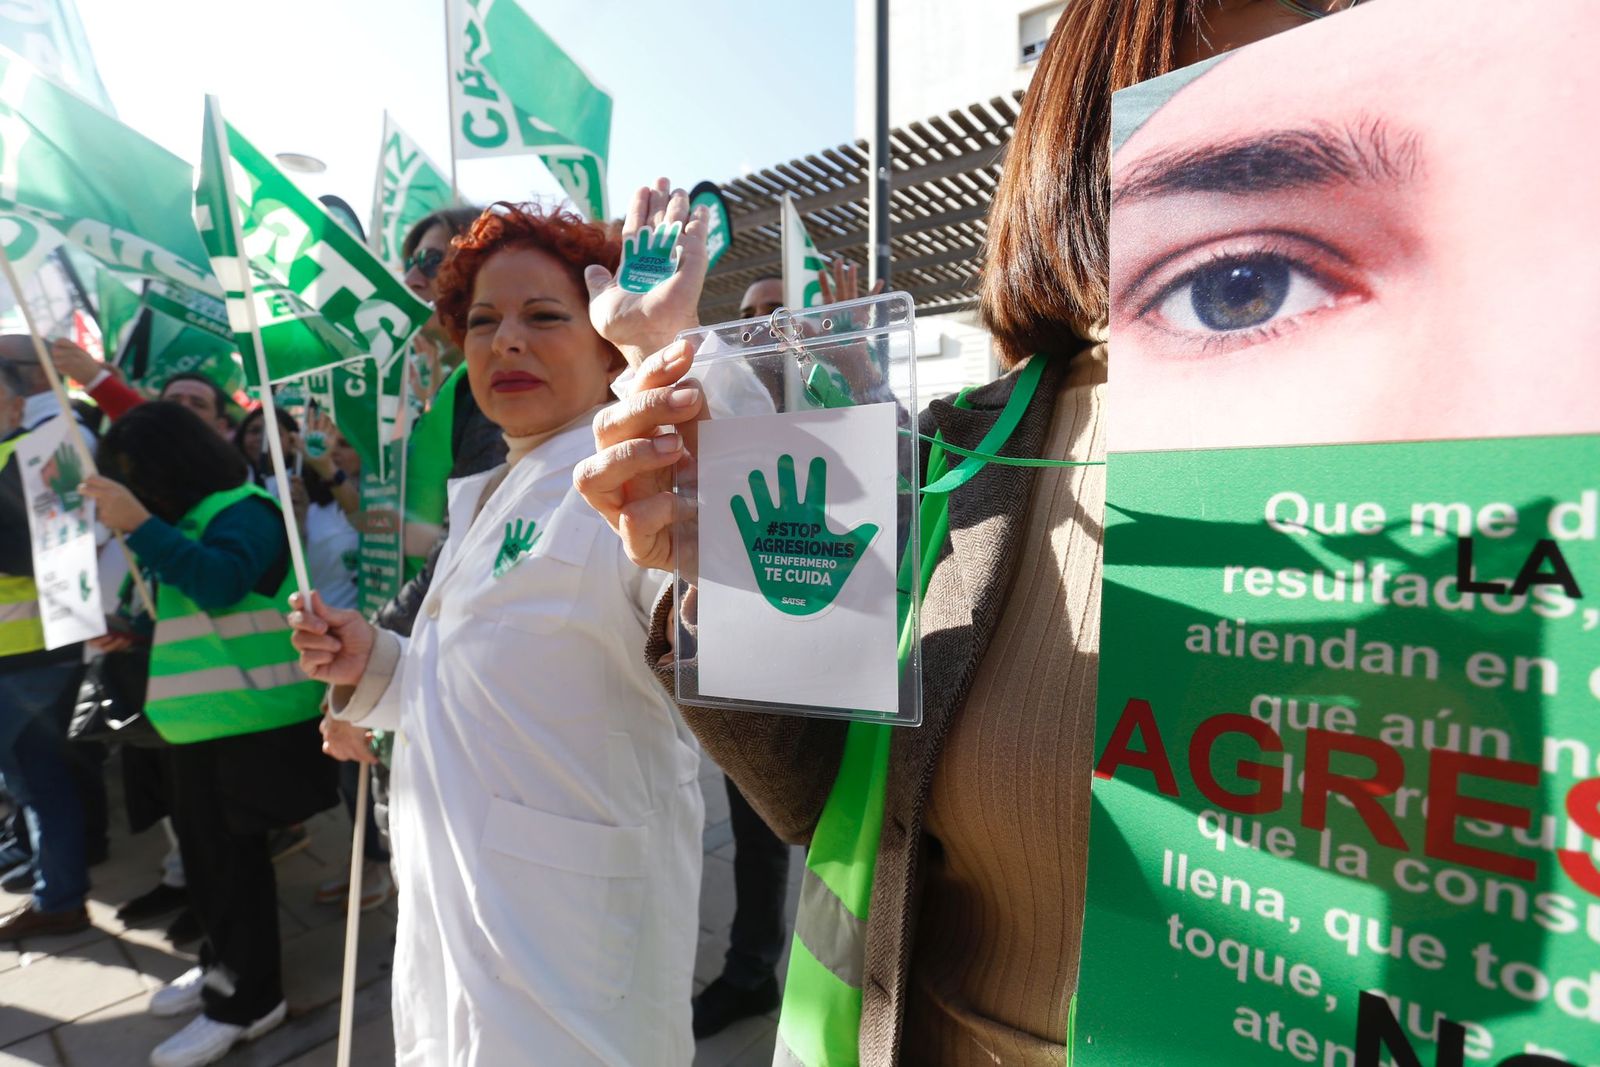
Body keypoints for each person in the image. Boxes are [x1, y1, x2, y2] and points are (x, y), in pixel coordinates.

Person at [574, 4, 1350, 1062]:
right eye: (1236, 75)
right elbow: (821, 789)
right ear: (1082, 127)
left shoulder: (1482, 439)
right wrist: (728, 582)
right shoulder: (968, 449)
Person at [289, 201, 708, 1065]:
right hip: (451, 938)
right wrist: (379, 665)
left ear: (603, 345)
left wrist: (670, 352)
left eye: (544, 315)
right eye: (482, 322)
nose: (505, 341)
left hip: (575, 986)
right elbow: (472, 682)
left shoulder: (641, 478)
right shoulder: (486, 495)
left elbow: (754, 616)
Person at [82, 401, 337, 1067]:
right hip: (205, 719)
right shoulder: (199, 516)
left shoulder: (246, 508)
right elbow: (201, 612)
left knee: (232, 864)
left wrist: (138, 526)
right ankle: (222, 962)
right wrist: (135, 632)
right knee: (208, 862)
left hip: (249, 722)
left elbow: (223, 583)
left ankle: (248, 999)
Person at [0, 347, 92, 940]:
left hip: (28, 658)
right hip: (38, 651)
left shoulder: (23, 460)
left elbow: (39, 556)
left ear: (13, 401)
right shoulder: (30, 457)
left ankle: (59, 897)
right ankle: (52, 881)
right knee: (37, 780)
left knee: (38, 781)